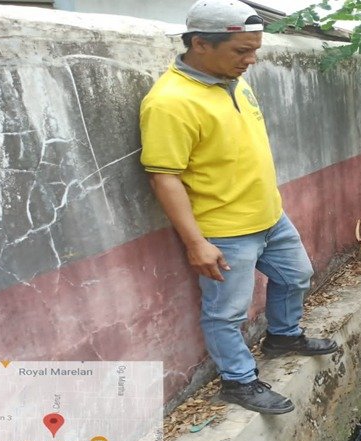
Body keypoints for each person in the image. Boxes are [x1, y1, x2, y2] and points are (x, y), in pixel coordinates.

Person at [139, 0, 338, 415]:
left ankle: (284, 336)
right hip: (224, 229)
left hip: (269, 216)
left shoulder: (233, 79)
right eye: (241, 52)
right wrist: (195, 242)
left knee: (297, 277)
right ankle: (238, 381)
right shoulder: (170, 102)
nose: (250, 60)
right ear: (200, 44)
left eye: (254, 50)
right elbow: (165, 177)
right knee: (227, 312)